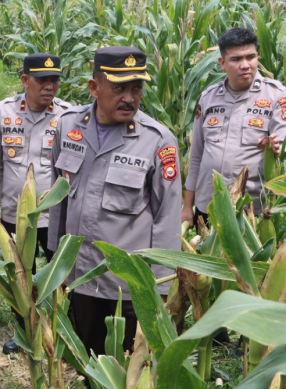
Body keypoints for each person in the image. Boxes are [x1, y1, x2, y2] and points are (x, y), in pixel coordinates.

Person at [48, 47, 181, 361]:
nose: (129, 98)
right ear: (94, 88)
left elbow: (167, 217)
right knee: (87, 363)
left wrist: (162, 287)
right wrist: (56, 265)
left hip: (128, 287)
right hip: (79, 277)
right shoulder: (68, 126)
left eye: (136, 89)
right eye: (119, 88)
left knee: (128, 367)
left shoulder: (157, 140)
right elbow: (58, 199)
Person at [0, 53, 71, 355]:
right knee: (19, 275)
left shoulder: (68, 116)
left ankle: (62, 332)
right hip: (13, 214)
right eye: (42, 80)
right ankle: (25, 331)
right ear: (25, 80)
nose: (49, 86)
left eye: (54, 80)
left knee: (61, 273)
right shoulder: (2, 113)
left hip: (54, 214)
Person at [183, 27, 286, 227]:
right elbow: (197, 155)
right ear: (222, 63)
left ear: (257, 57)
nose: (245, 65)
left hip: (252, 209)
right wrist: (187, 206)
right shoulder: (208, 97)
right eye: (236, 59)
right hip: (208, 205)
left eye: (250, 57)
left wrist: (277, 149)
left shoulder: (278, 96)